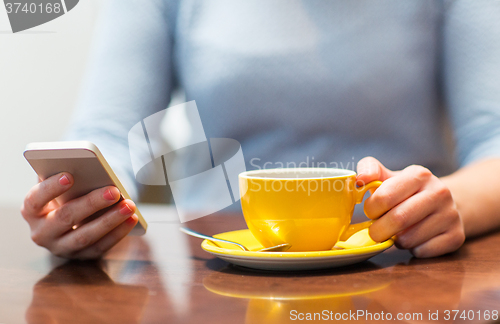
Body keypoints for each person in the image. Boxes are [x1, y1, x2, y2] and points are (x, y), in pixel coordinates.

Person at [20, 0, 500, 259]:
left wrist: (446, 203)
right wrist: (80, 203)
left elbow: (493, 139)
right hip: (222, 271)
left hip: (399, 259)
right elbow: (108, 128)